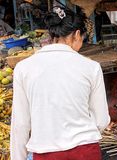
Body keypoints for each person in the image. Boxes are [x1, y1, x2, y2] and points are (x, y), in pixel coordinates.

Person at [10, 6, 110, 160]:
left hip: (45, 153)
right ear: (77, 35)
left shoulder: (23, 68)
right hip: (86, 151)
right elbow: (102, 120)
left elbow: (20, 125)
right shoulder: (91, 67)